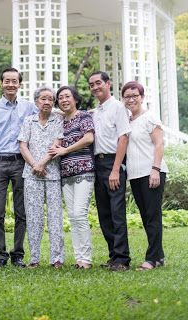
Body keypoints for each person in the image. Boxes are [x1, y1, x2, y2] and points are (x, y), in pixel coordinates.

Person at [0, 67, 36, 268]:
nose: (11, 84)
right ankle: (0, 255)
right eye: (7, 81)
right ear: (1, 83)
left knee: (22, 211)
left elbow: (46, 118)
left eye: (15, 81)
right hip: (0, 162)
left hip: (22, 163)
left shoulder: (30, 107)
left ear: (20, 84)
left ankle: (18, 254)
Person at [121, 81, 168, 270]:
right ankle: (159, 256)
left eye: (135, 95)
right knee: (146, 216)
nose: (131, 99)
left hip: (152, 172)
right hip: (135, 175)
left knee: (152, 216)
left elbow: (159, 144)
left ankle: (151, 259)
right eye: (127, 96)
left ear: (142, 97)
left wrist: (155, 170)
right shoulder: (128, 121)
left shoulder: (150, 118)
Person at [88, 70, 131, 271]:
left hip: (113, 164)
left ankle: (122, 259)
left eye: (98, 83)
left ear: (108, 84)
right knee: (104, 214)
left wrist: (115, 170)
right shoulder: (95, 112)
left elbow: (123, 138)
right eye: (92, 85)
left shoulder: (118, 108)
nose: (95, 87)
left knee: (117, 213)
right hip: (97, 165)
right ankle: (113, 256)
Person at [18, 86, 65, 268]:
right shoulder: (29, 121)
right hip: (31, 175)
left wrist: (42, 164)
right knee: (34, 217)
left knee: (55, 216)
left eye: (50, 99)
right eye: (43, 99)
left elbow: (57, 144)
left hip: (52, 173)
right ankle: (34, 258)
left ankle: (57, 258)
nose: (47, 102)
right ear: (36, 101)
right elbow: (23, 146)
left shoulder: (58, 119)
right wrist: (34, 165)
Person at [49, 85, 95, 269]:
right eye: (60, 98)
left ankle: (86, 259)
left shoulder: (84, 117)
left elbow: (89, 138)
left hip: (84, 170)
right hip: (66, 174)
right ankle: (79, 258)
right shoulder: (61, 120)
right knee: (73, 216)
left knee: (79, 214)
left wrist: (65, 150)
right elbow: (43, 108)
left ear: (76, 99)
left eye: (67, 96)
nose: (64, 100)